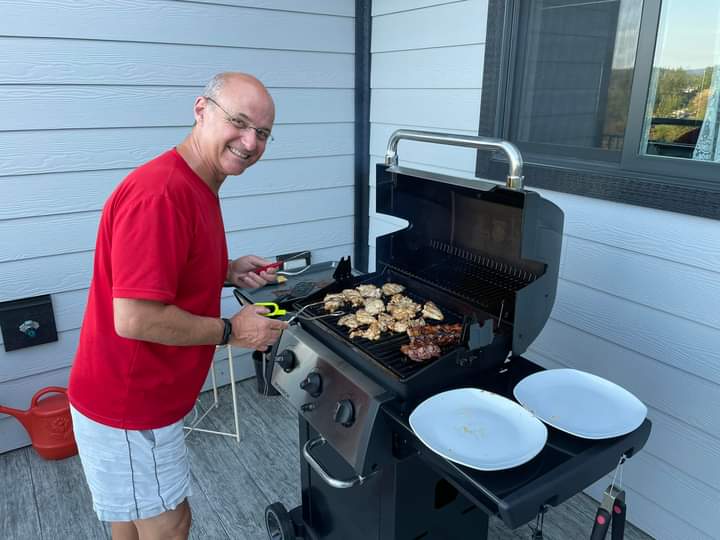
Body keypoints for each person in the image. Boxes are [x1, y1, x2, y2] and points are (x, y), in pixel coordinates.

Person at [67, 72, 288, 540]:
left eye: (263, 133)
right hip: (130, 404)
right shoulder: (162, 194)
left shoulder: (194, 184)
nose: (250, 142)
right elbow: (136, 318)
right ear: (201, 110)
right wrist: (232, 331)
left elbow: (165, 272)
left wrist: (226, 270)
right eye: (239, 122)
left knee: (130, 517)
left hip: (127, 400)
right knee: (170, 524)